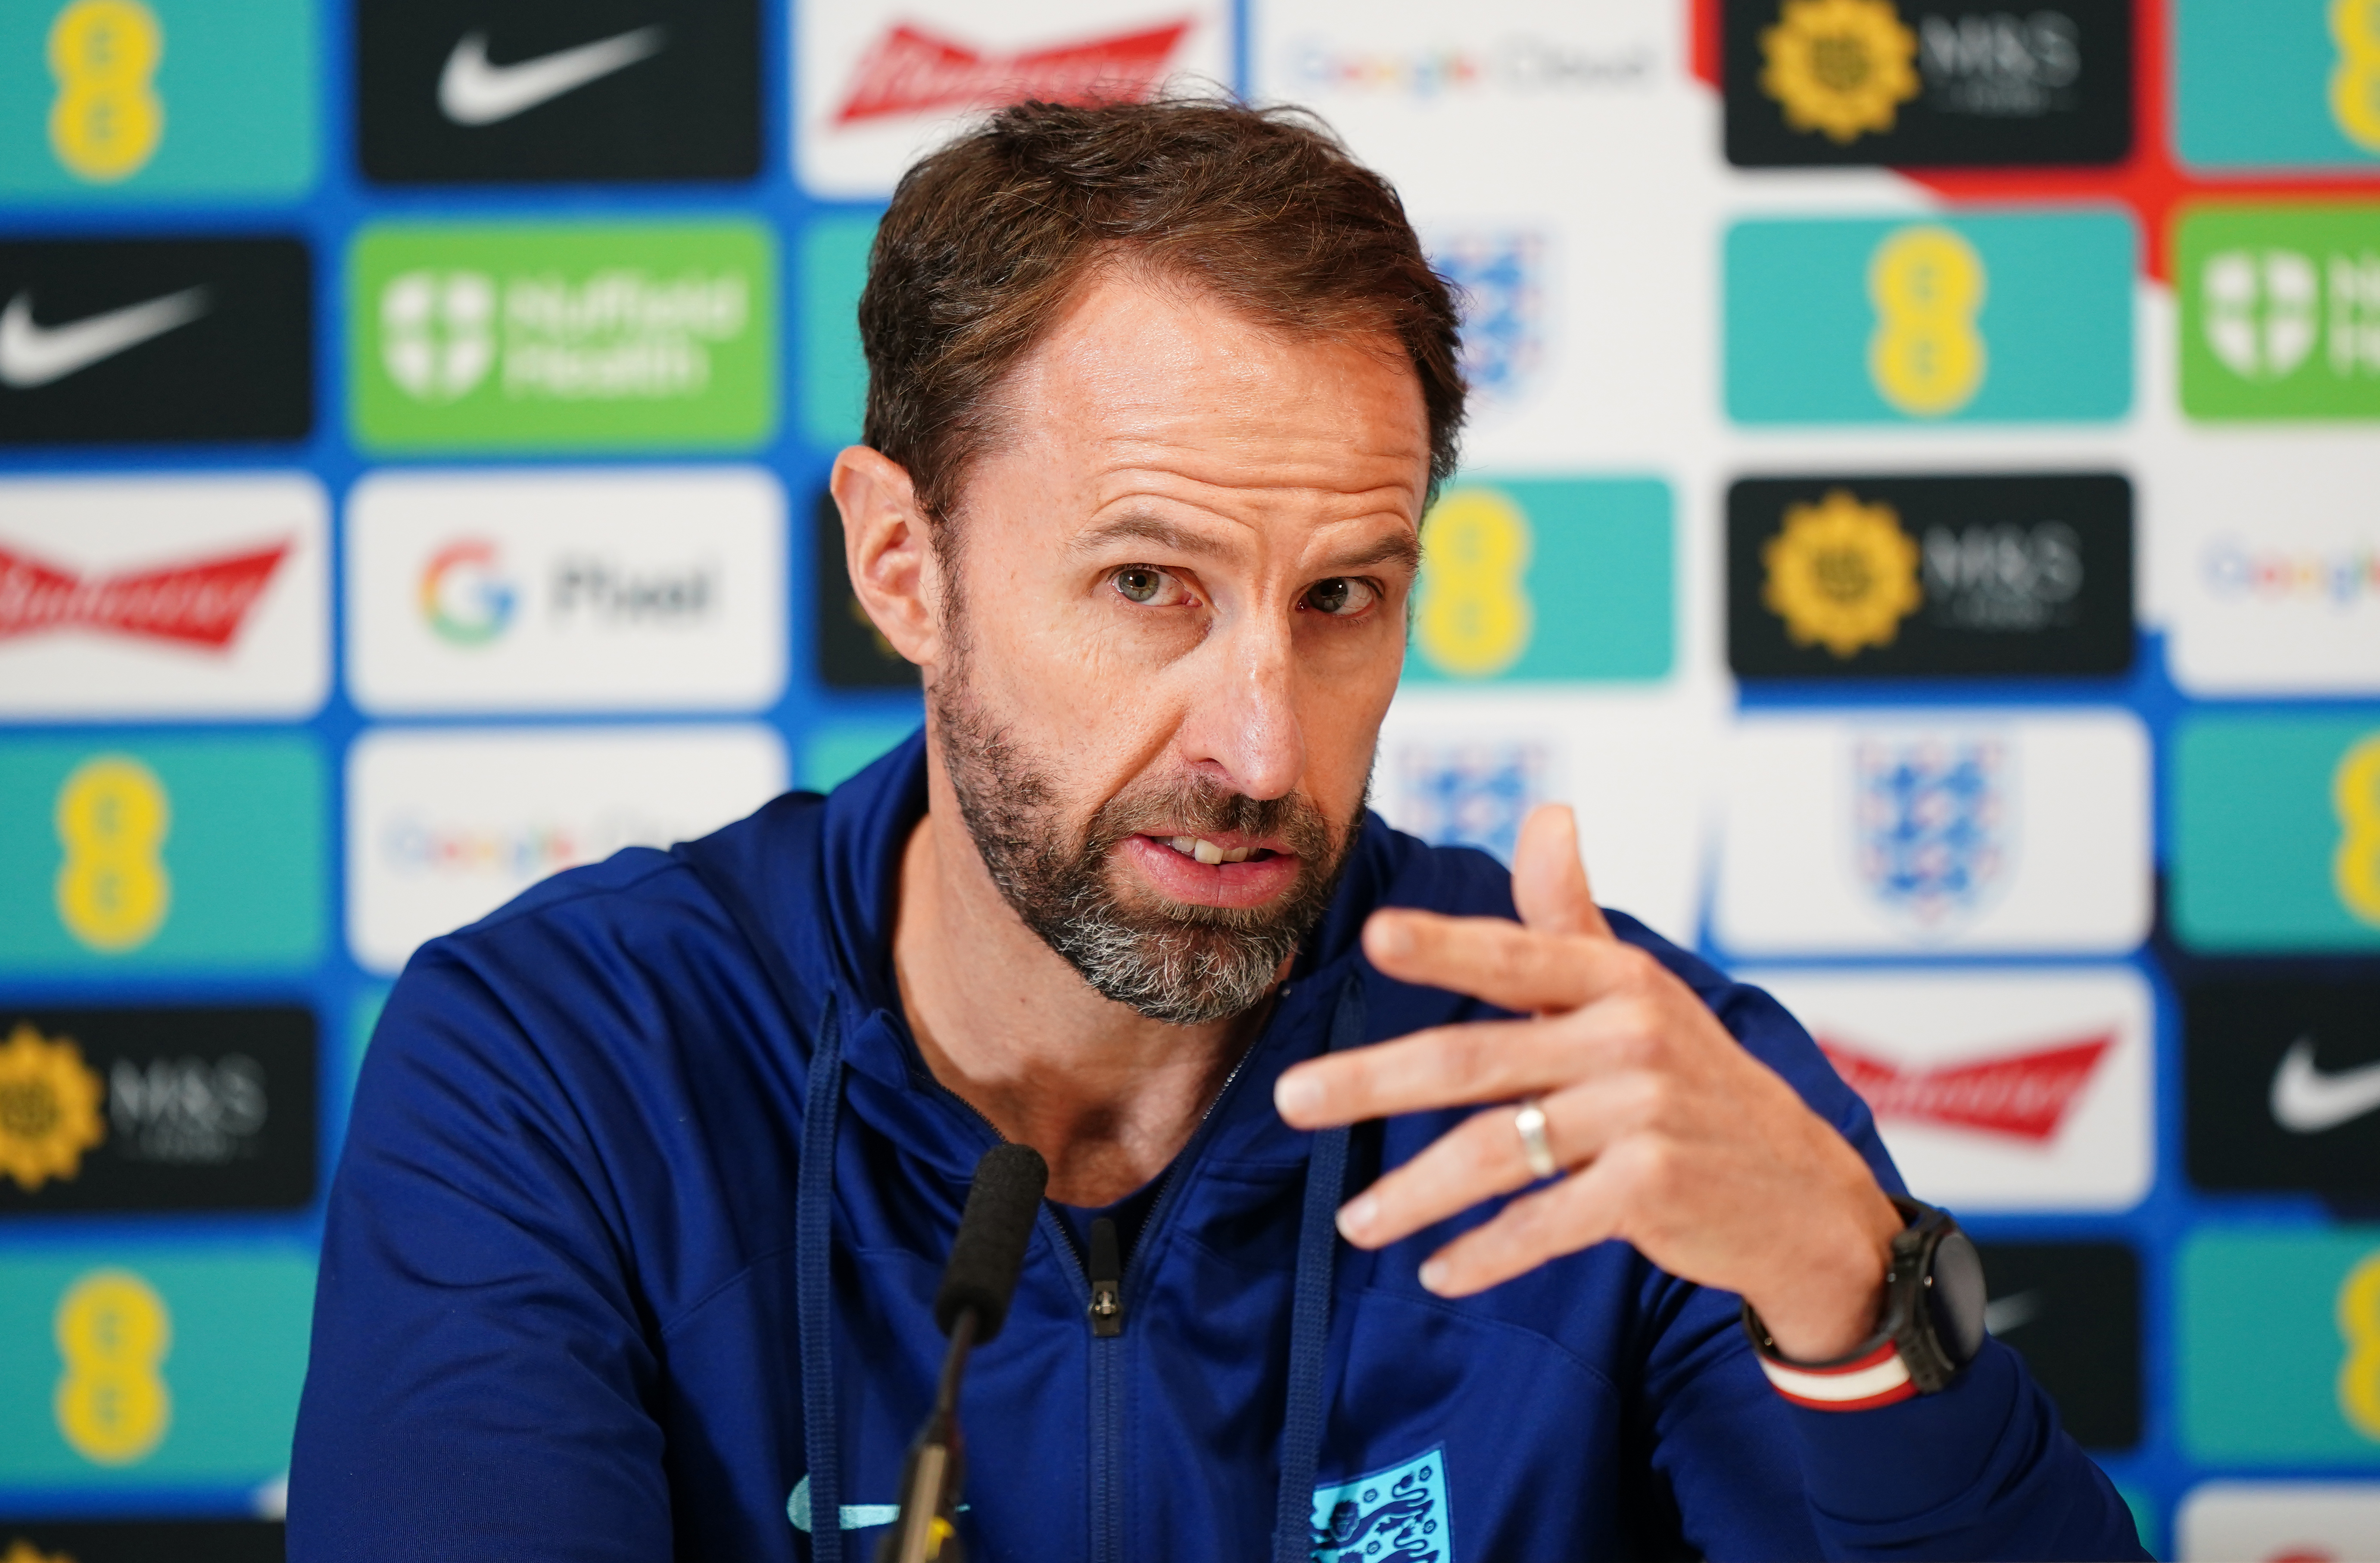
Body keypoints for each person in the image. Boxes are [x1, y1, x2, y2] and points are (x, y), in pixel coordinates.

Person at [290, 99, 2145, 1562]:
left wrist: (1848, 1294)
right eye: (1148, 585)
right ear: (899, 563)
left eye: (1342, 597)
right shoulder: (562, 1064)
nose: (1262, 745)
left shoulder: (1602, 1092)